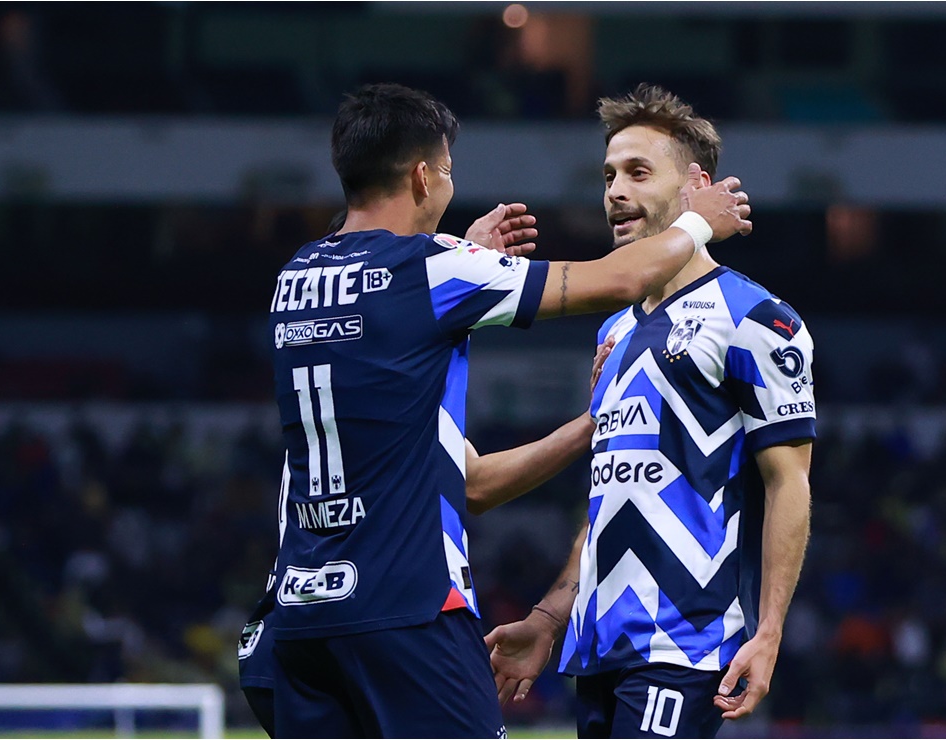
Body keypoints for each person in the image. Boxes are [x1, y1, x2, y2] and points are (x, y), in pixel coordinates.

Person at [263, 83, 750, 738]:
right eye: (447, 170)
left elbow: (474, 482)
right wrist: (699, 222)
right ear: (422, 175)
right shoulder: (436, 269)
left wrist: (590, 423)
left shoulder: (297, 276)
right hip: (408, 609)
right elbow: (617, 278)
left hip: (301, 621)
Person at [484, 84, 815, 738]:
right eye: (607, 175)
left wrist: (769, 631)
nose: (613, 191)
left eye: (637, 172)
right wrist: (552, 617)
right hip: (600, 648)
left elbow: (789, 482)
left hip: (684, 643)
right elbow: (611, 494)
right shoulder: (613, 330)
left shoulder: (755, 318)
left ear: (696, 186)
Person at [240, 339, 617, 737]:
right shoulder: (393, 385)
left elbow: (472, 478)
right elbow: (478, 485)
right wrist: (598, 418)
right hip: (390, 621)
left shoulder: (344, 383)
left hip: (290, 625)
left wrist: (592, 421)